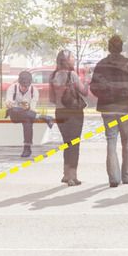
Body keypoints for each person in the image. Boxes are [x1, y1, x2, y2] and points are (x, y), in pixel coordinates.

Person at [88, 34, 128, 188]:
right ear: (121, 48)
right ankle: (127, 176)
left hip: (107, 109)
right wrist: (125, 89)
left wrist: (106, 93)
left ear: (109, 47)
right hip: (126, 108)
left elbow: (93, 87)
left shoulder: (101, 65)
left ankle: (114, 178)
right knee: (126, 142)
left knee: (111, 141)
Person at [43, 49, 90, 185]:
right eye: (72, 57)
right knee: (74, 144)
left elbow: (52, 99)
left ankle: (65, 173)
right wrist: (86, 78)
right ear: (67, 60)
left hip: (60, 112)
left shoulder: (53, 76)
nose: (74, 59)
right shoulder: (72, 75)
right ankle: (72, 176)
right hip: (74, 113)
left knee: (66, 143)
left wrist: (61, 96)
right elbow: (85, 92)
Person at [5, 68, 44, 157]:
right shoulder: (12, 88)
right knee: (16, 110)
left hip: (27, 115)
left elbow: (32, 108)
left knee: (27, 120)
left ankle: (27, 148)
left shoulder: (34, 91)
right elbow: (9, 102)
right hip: (15, 115)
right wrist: (9, 104)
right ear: (19, 83)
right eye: (22, 85)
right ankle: (41, 116)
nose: (24, 88)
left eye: (26, 86)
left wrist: (28, 107)